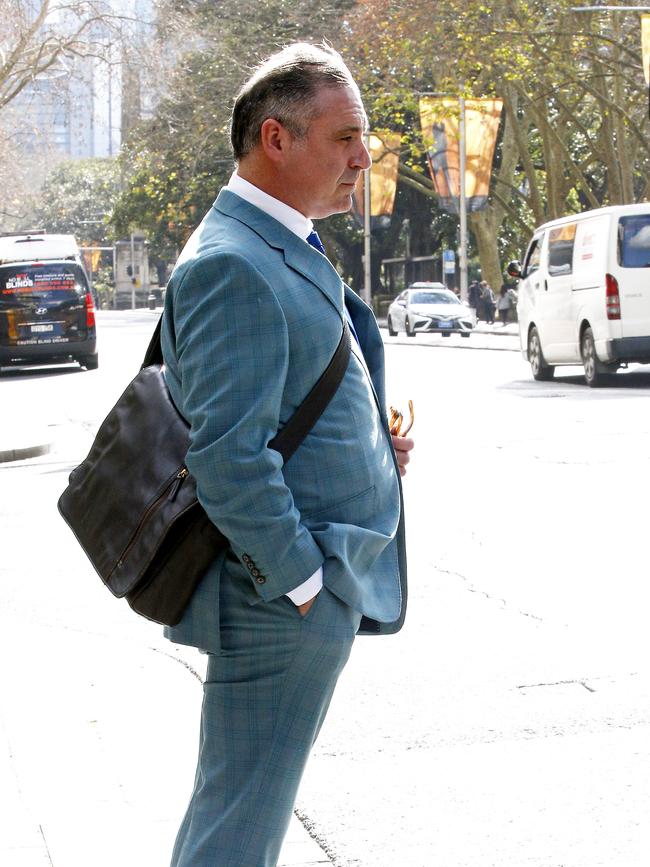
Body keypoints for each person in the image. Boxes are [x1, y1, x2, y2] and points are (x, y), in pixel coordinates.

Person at [160, 43, 413, 867]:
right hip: (278, 604)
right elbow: (229, 458)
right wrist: (307, 587)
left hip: (292, 598)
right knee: (236, 828)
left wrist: (372, 440)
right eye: (345, 137)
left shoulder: (272, 239)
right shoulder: (231, 262)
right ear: (276, 139)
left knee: (240, 815)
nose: (363, 156)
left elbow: (277, 402)